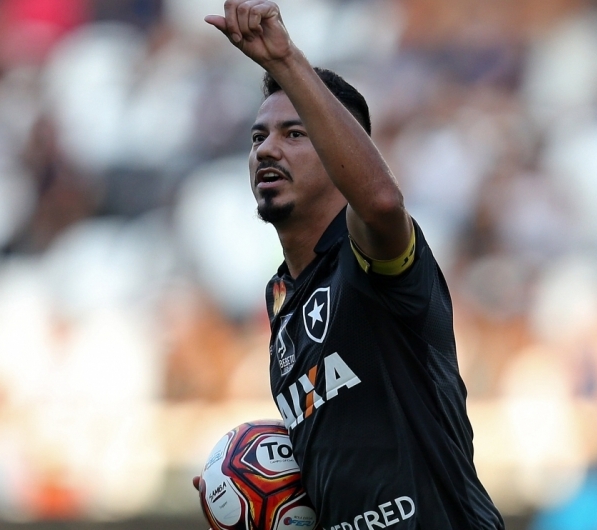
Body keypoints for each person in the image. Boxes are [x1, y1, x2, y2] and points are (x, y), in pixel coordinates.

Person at [196, 1, 506, 528]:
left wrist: (285, 61)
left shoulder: (371, 259)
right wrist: (244, 492)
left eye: (294, 134)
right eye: (258, 138)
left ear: (343, 154)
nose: (268, 149)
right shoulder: (282, 306)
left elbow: (381, 203)